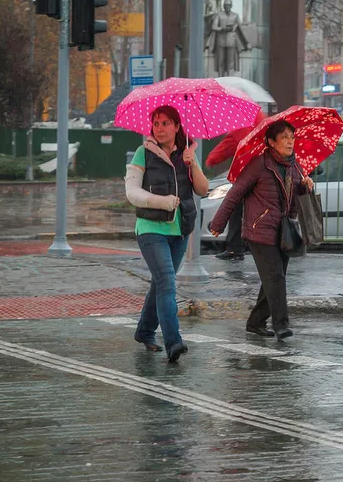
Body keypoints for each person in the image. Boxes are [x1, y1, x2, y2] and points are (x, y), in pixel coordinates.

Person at [209, 120, 314, 339]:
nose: (290, 142)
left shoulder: (295, 167)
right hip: (259, 230)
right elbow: (235, 193)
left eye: (292, 137)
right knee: (275, 276)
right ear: (271, 142)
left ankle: (256, 322)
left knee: (273, 278)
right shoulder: (259, 164)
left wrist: (306, 187)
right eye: (284, 137)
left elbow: (295, 202)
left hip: (283, 231)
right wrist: (218, 223)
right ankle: (281, 324)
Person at [124, 106, 209, 362]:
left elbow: (202, 190)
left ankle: (144, 331)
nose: (159, 128)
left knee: (160, 283)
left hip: (180, 229)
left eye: (165, 123)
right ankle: (174, 342)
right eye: (156, 123)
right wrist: (163, 202)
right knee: (167, 282)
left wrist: (192, 164)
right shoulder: (143, 153)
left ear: (177, 126)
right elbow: (132, 192)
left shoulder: (186, 153)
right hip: (150, 228)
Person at [205, 111, 268, 261]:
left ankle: (235, 248)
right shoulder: (264, 123)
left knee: (235, 209)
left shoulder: (241, 128)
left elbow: (227, 146)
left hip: (246, 175)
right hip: (265, 175)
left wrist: (210, 160)